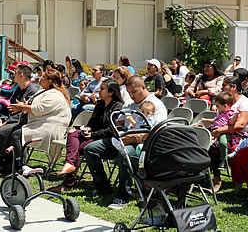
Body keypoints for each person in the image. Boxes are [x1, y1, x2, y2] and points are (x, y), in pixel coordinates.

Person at [84, 75, 167, 209]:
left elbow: (156, 132)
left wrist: (132, 138)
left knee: (125, 153)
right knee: (90, 149)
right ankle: (103, 188)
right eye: (128, 92)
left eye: (134, 92)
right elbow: (118, 123)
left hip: (142, 145)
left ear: (143, 87)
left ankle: (123, 195)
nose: (131, 95)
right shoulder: (129, 104)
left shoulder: (156, 105)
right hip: (121, 139)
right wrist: (119, 129)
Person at [50, 79, 124, 191]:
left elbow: (111, 130)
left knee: (78, 149)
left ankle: (68, 184)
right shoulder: (100, 104)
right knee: (73, 133)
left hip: (105, 138)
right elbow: (92, 123)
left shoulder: (117, 107)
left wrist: (93, 133)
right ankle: (69, 164)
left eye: (102, 88)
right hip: (93, 135)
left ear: (111, 92)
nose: (99, 90)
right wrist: (88, 128)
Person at [0, 64, 39, 171]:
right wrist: (3, 119)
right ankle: (6, 158)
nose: (13, 76)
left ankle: (3, 160)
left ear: (21, 75)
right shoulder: (17, 90)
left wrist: (7, 121)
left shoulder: (32, 91)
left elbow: (25, 112)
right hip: (12, 119)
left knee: (1, 132)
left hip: (23, 121)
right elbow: (11, 109)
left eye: (15, 73)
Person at [209, 76, 248, 193]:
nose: (221, 88)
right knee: (209, 145)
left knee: (215, 145)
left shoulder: (246, 103)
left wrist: (219, 131)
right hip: (226, 134)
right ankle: (216, 178)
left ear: (233, 87)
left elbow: (240, 125)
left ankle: (244, 183)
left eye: (224, 86)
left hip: (241, 137)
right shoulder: (226, 101)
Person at [200, 92, 236, 170]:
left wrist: (236, 115)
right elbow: (215, 120)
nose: (216, 108)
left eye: (217, 106)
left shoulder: (231, 113)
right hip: (214, 130)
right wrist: (206, 120)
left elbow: (232, 122)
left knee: (223, 142)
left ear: (225, 106)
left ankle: (223, 159)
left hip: (224, 132)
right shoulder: (220, 113)